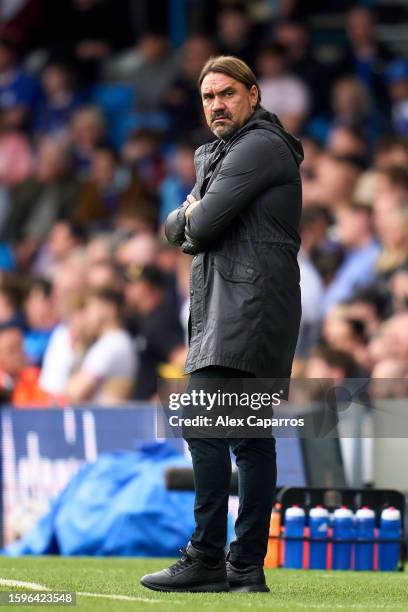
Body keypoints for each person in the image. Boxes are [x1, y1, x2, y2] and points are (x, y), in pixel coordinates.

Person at [140, 56, 303, 593]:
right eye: (208, 97)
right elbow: (175, 228)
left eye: (227, 94)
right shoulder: (225, 153)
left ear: (253, 96)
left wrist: (192, 214)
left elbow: (200, 223)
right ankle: (245, 568)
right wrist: (189, 218)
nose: (217, 105)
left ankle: (208, 556)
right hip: (241, 309)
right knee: (251, 442)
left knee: (204, 425)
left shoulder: (259, 146)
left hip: (244, 312)